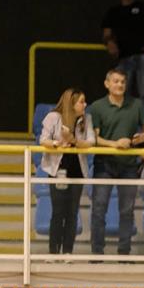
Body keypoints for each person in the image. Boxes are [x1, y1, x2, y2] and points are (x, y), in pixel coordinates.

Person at [89, 68, 144, 258]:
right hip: (104, 164)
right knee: (99, 208)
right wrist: (115, 144)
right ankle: (97, 252)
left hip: (129, 164)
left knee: (127, 211)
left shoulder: (137, 104)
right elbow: (94, 138)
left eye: (123, 82)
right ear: (107, 84)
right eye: (116, 81)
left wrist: (141, 138)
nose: (120, 85)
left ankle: (124, 253)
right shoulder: (97, 107)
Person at [39, 87, 94, 256]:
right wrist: (58, 144)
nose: (85, 105)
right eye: (81, 102)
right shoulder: (53, 117)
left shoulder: (87, 119)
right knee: (58, 212)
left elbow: (91, 142)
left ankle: (68, 252)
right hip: (58, 171)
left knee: (72, 213)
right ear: (71, 103)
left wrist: (74, 140)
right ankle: (53, 252)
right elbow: (43, 140)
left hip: (77, 171)